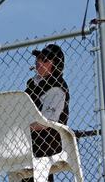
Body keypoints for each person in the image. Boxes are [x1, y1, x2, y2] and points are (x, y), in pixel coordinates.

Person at [23, 44, 70, 182]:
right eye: (38, 59)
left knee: (39, 172)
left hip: (48, 140)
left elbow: (47, 121)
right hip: (30, 140)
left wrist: (21, 128)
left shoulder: (57, 87)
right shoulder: (33, 85)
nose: (39, 63)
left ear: (55, 65)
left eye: (45, 60)